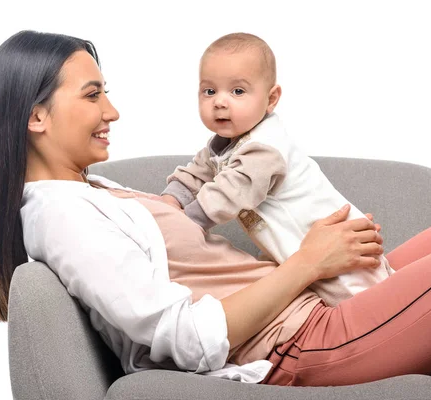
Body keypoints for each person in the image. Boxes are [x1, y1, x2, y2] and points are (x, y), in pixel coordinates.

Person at [0, 30, 431, 388]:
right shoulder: (61, 218)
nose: (112, 109)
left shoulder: (90, 192)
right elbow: (181, 337)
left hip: (317, 305)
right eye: (92, 95)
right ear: (35, 116)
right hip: (308, 342)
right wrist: (308, 263)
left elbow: (192, 191)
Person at [161, 33, 393, 307]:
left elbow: (229, 193)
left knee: (360, 301)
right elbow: (195, 174)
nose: (220, 102)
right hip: (297, 251)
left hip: (336, 253)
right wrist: (165, 203)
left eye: (238, 91)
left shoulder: (265, 147)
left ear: (271, 99)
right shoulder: (222, 145)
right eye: (209, 91)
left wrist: (180, 224)